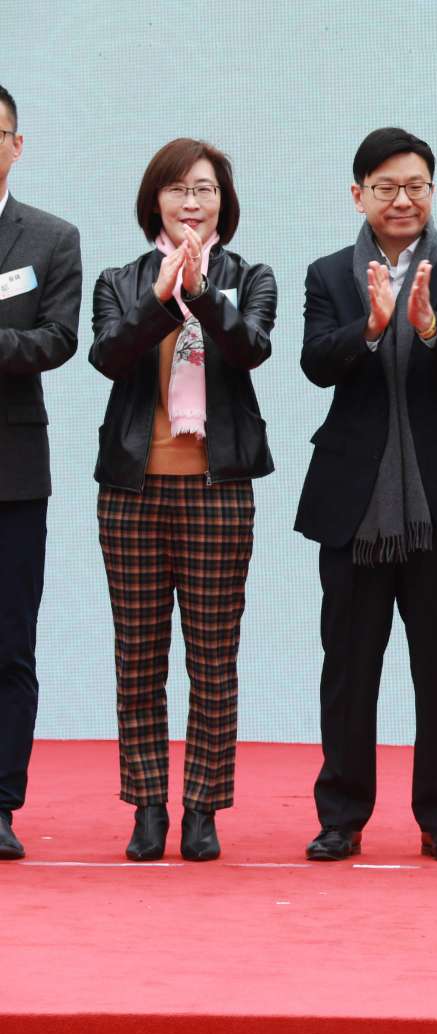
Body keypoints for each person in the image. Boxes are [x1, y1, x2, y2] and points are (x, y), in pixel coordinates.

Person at [296, 127, 437, 864]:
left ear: (432, 191)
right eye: (385, 187)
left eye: (415, 185)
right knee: (348, 663)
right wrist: (372, 327)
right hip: (353, 500)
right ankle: (341, 816)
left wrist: (430, 327)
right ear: (359, 195)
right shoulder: (327, 274)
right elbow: (316, 364)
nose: (402, 199)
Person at [88, 139, 275, 862]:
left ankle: (202, 808)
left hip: (218, 489)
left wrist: (199, 293)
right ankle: (147, 807)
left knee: (213, 657)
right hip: (132, 490)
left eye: (203, 189)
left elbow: (251, 347)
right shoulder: (119, 279)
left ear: (223, 199)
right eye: (176, 190)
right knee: (137, 654)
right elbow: (109, 354)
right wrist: (162, 299)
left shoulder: (249, 276)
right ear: (154, 202)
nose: (191, 203)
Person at [0, 84, 82, 862]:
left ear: (16, 144)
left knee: (7, 646)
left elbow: (58, 339)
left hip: (12, 474)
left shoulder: (49, 238)